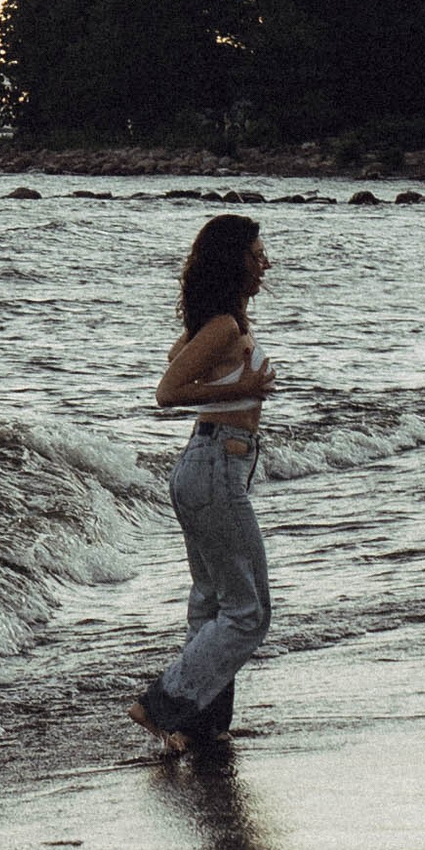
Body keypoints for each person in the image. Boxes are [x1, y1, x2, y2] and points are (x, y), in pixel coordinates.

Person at [130, 215, 276, 754]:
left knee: (214, 603)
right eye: (257, 256)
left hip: (209, 464)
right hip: (216, 462)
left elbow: (178, 357)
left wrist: (225, 377)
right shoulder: (224, 327)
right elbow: (167, 390)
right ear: (233, 261)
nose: (265, 265)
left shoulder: (218, 323)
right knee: (249, 611)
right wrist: (239, 384)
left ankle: (199, 726)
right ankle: (163, 705)